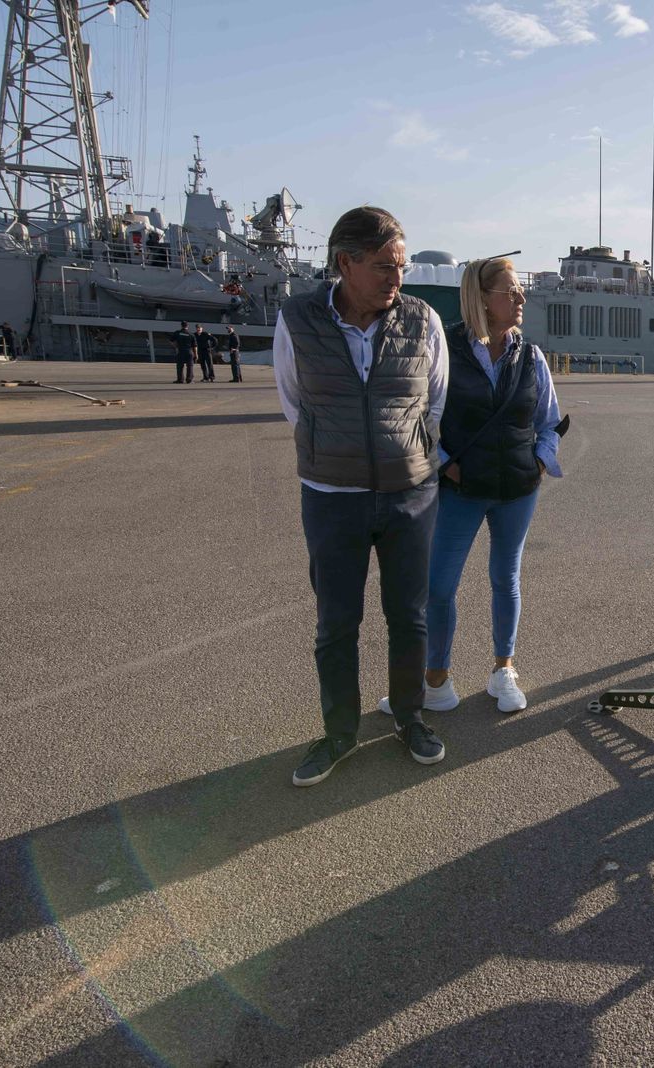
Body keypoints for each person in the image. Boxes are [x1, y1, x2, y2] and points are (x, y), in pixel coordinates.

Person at [273, 206, 450, 787]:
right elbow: (296, 403)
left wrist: (410, 456)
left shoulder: (423, 320)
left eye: (400, 265)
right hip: (332, 496)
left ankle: (409, 718)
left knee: (410, 616)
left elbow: (435, 402)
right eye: (382, 267)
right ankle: (340, 733)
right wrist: (337, 453)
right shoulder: (297, 320)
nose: (396, 278)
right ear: (344, 262)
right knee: (336, 622)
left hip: (410, 495)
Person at [381, 255, 561, 718]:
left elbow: (548, 422)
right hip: (460, 491)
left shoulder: (532, 356)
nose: (521, 297)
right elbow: (419, 418)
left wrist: (538, 463)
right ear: (481, 298)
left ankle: (504, 670)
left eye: (519, 289)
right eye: (510, 289)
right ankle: (436, 680)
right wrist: (445, 466)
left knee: (506, 578)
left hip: (518, 491)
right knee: (439, 586)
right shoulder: (447, 350)